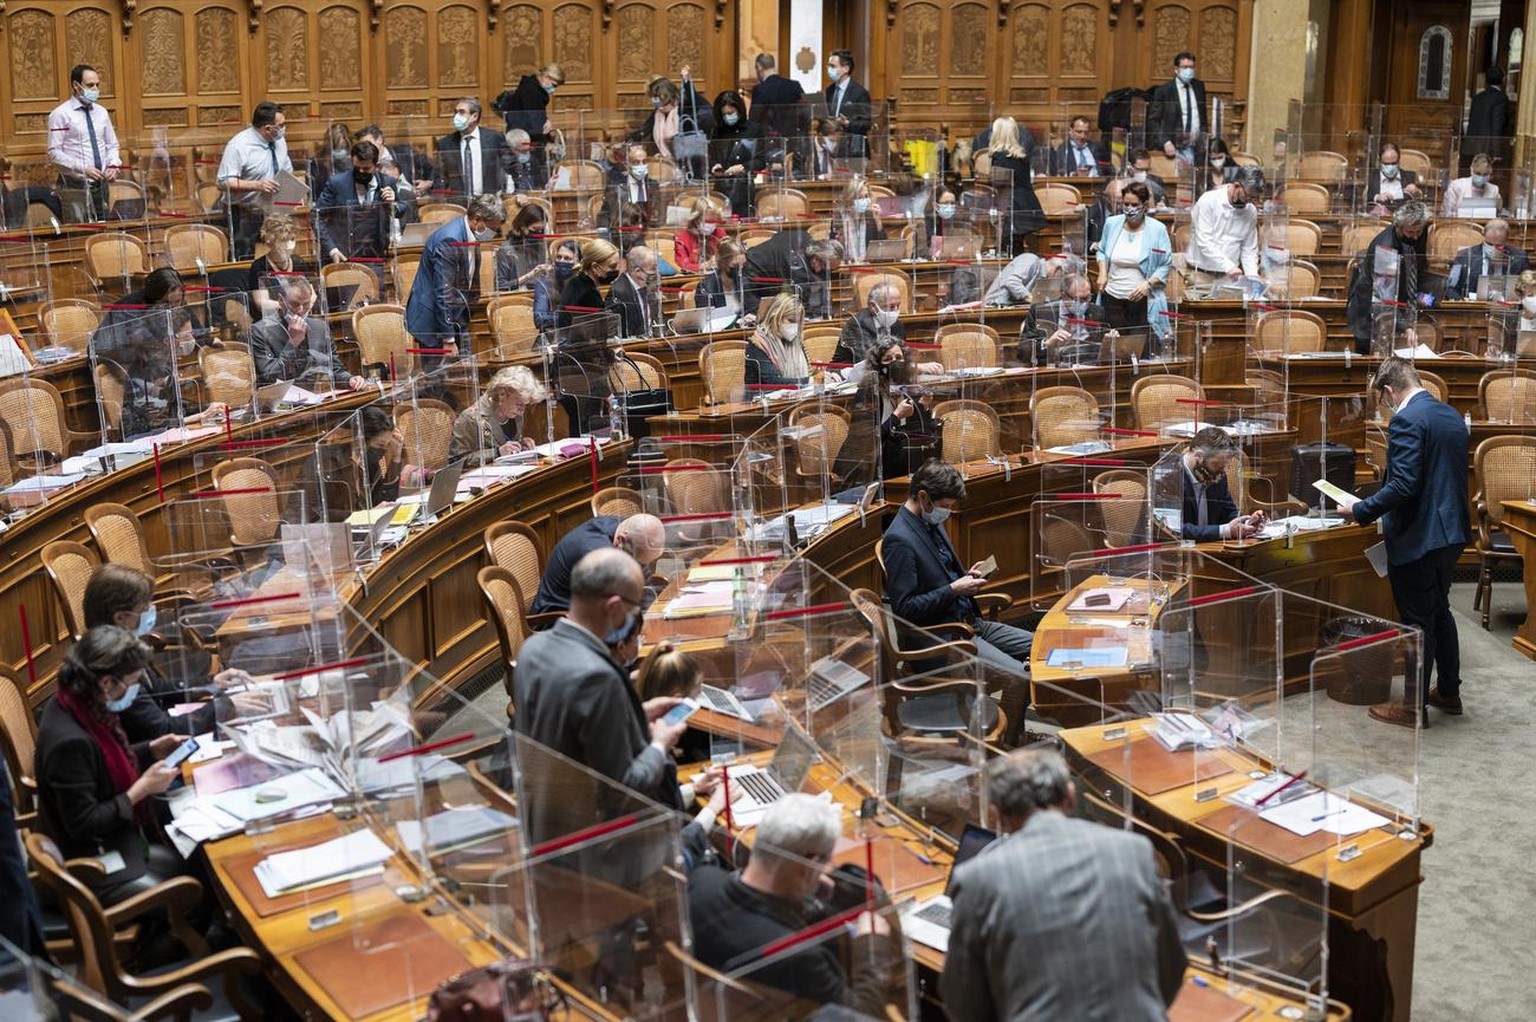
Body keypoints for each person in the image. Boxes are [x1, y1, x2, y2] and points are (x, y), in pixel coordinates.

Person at [940, 747, 1184, 1022]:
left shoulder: (977, 879)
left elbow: (964, 1004)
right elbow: (1171, 964)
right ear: (1070, 796)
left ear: (996, 814)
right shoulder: (1134, 851)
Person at [1334, 357, 1470, 727]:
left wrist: (1361, 508)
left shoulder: (1407, 419)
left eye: (1384, 398)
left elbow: (1405, 485)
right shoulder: (1450, 415)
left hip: (1420, 537)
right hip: (1451, 533)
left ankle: (1411, 708)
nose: (1387, 405)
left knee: (1415, 622)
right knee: (1440, 610)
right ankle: (1448, 691)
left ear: (1390, 390)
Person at [687, 793, 898, 1015]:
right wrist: (872, 948)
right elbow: (860, 1014)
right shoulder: (802, 958)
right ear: (810, 866)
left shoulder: (700, 881)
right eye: (825, 861)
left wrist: (805, 890)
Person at [513, 548, 687, 806]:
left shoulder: (531, 650)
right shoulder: (598, 677)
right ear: (614, 608)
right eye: (634, 606)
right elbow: (625, 788)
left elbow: (567, 732)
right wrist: (660, 744)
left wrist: (635, 715)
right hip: (596, 833)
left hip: (543, 813)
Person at [35, 626, 192, 906]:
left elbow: (97, 764)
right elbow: (84, 823)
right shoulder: (70, 742)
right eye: (131, 682)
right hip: (89, 860)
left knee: (187, 858)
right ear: (107, 682)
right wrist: (141, 789)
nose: (133, 689)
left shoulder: (76, 703)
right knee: (188, 891)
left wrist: (149, 749)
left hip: (109, 841)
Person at [882, 460, 1032, 744]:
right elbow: (904, 609)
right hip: (941, 638)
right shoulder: (899, 540)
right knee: (1019, 678)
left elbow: (938, 574)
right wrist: (953, 589)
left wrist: (965, 578)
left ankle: (1016, 733)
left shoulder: (929, 521)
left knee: (1041, 647)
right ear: (924, 497)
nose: (948, 512)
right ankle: (1007, 746)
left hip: (969, 621)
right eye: (946, 506)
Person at [81, 564, 267, 742]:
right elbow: (162, 730)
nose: (151, 612)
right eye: (144, 608)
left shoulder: (123, 644)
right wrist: (226, 705)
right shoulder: (114, 667)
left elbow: (158, 689)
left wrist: (212, 683)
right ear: (120, 618)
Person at [404, 193, 505, 354]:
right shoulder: (450, 239)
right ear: (477, 219)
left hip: (457, 317)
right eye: (492, 228)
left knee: (464, 373)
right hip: (435, 323)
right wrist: (448, 339)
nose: (493, 233)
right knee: (437, 377)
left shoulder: (471, 233)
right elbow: (443, 292)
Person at [530, 513, 666, 618]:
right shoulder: (597, 555)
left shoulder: (625, 531)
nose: (643, 567)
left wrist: (648, 614)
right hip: (558, 622)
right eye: (639, 562)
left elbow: (644, 584)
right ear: (621, 540)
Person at [250, 276, 366, 391]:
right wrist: (292, 343)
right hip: (287, 402)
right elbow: (270, 378)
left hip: (320, 395)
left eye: (306, 304)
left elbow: (334, 369)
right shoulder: (260, 331)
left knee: (373, 409)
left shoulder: (320, 327)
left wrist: (349, 380)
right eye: (295, 304)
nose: (301, 310)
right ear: (281, 301)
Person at [1346, 201, 1431, 356]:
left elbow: (1420, 265)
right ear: (1398, 226)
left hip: (1399, 306)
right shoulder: (1385, 248)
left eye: (1419, 231)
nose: (1416, 236)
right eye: (1411, 232)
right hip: (1370, 315)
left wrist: (1425, 295)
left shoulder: (1419, 233)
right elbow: (1385, 297)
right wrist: (1406, 326)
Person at [1096, 181, 1172, 353]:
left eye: (1135, 205)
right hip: (1113, 296)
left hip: (1141, 300)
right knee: (1115, 350)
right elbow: (1101, 251)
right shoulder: (1112, 224)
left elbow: (1166, 263)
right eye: (1126, 204)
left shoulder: (1157, 229)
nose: (1129, 208)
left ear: (1144, 205)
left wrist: (1148, 284)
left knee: (1139, 350)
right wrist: (1102, 273)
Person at [314, 140, 410, 266]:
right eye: (356, 167)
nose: (360, 172)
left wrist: (392, 204)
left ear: (376, 166)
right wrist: (332, 249)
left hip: (375, 255)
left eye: (366, 168)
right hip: (342, 256)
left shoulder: (387, 182)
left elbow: (401, 209)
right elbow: (315, 216)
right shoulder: (337, 183)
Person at [217, 101, 292, 259]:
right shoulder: (238, 146)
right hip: (243, 213)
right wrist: (258, 185)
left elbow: (286, 169)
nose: (285, 128)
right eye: (282, 125)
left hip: (273, 209)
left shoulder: (279, 141)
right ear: (268, 128)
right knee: (244, 258)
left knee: (278, 256)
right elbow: (223, 182)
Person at [47, 64, 120, 222]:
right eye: (90, 85)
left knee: (103, 232)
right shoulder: (60, 114)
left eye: (97, 85)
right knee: (79, 234)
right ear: (76, 85)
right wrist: (83, 168)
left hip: (101, 185)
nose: (95, 89)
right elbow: (54, 152)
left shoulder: (102, 112)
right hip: (74, 186)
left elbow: (112, 145)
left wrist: (113, 165)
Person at [1185, 166, 1263, 298]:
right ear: (1237, 186)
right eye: (1249, 196)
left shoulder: (1250, 210)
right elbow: (1204, 241)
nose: (1251, 202)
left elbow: (1249, 249)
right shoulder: (1209, 200)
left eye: (1255, 198)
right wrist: (1228, 266)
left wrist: (1252, 276)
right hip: (1200, 276)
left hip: (1229, 279)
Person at [449, 365, 549, 464]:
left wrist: (520, 444)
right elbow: (456, 461)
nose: (522, 411)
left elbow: (505, 443)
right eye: (519, 404)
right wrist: (497, 452)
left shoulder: (514, 414)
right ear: (502, 394)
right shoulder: (472, 418)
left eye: (525, 405)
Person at [1177, 427, 1264, 541]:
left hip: (1214, 547)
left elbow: (1228, 511)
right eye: (1218, 466)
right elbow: (1176, 529)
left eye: (1224, 466)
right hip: (1179, 552)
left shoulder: (1216, 475)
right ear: (1199, 456)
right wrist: (1226, 531)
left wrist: (1246, 524)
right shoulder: (1169, 477)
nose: (1222, 472)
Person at [744, 231, 842, 319]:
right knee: (757, 318)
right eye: (823, 266)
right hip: (753, 275)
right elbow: (802, 303)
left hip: (768, 271)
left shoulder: (804, 236)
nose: (821, 271)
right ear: (815, 258)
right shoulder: (797, 265)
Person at [1020, 272, 1112, 366]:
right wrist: (1048, 343)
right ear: (1064, 295)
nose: (1084, 303)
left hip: (1088, 365)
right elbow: (1022, 352)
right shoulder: (1041, 312)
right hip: (1054, 367)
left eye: (1087, 298)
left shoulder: (1097, 312)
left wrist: (1111, 340)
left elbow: (1103, 347)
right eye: (1078, 299)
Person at [431, 98, 512, 204]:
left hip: (488, 202)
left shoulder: (494, 138)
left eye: (461, 112)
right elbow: (440, 176)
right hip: (459, 203)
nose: (456, 117)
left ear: (475, 116)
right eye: (455, 112)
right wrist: (442, 202)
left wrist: (521, 191)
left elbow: (512, 165)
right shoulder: (446, 144)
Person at [986, 116, 1046, 255]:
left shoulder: (1001, 157)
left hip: (1011, 207)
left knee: (1009, 249)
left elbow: (1000, 184)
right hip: (1026, 204)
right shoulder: (1021, 155)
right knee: (1018, 245)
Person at [244, 213, 311, 321]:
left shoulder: (299, 262)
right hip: (271, 321)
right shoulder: (259, 266)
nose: (289, 245)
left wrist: (305, 307)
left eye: (292, 239)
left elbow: (311, 293)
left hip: (300, 317)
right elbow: (261, 303)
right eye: (283, 241)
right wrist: (291, 306)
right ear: (270, 241)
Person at [707, 89, 764, 216]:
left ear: (739, 110)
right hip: (722, 187)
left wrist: (744, 167)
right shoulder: (717, 131)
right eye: (724, 114)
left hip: (744, 187)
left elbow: (761, 160)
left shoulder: (753, 129)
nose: (728, 116)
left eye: (731, 112)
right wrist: (715, 165)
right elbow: (711, 155)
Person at [1148, 50, 1208, 164]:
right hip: (1173, 148)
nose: (1189, 71)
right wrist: (1165, 142)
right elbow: (1153, 121)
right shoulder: (1164, 91)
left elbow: (1202, 115)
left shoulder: (1199, 87)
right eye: (1185, 67)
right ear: (1176, 69)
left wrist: (1204, 140)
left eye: (1191, 67)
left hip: (1196, 148)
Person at [1447, 217, 1528, 300]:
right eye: (1489, 244)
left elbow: (1527, 289)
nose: (1493, 248)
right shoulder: (1464, 256)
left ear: (1506, 239)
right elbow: (1450, 287)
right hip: (1474, 308)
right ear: (1483, 235)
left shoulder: (1519, 258)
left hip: (1506, 308)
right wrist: (1462, 301)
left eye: (1499, 245)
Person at [746, 293, 815, 386]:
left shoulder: (796, 341)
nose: (795, 326)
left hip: (798, 397)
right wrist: (809, 381)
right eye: (791, 320)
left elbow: (808, 373)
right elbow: (772, 381)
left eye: (798, 322)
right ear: (776, 317)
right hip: (762, 398)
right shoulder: (758, 344)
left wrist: (823, 376)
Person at [833, 281, 904, 364]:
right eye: (891, 307)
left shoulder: (897, 325)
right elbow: (867, 361)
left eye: (898, 306)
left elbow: (902, 356)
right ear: (873, 306)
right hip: (847, 373)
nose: (896, 311)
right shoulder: (857, 324)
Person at [558, 238, 620, 330]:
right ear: (595, 267)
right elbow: (595, 333)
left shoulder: (575, 282)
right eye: (612, 266)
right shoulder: (589, 295)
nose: (616, 270)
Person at [598, 144, 662, 231]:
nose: (641, 165)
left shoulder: (652, 184)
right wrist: (603, 232)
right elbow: (605, 213)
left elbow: (658, 213)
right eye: (636, 162)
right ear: (627, 164)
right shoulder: (616, 186)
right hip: (624, 233)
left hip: (647, 231)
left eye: (644, 161)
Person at [693, 239, 754, 327]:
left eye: (743, 266)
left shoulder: (745, 281)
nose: (740, 271)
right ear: (722, 263)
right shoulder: (705, 287)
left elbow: (753, 309)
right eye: (735, 266)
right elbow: (707, 322)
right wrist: (737, 323)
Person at [748, 52, 807, 144]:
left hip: (769, 141)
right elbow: (804, 113)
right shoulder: (795, 85)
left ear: (759, 66)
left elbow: (754, 120)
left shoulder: (760, 89)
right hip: (793, 140)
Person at [493, 199, 551, 292]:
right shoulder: (507, 249)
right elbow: (500, 285)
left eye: (542, 230)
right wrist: (528, 276)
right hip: (517, 298)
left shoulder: (541, 245)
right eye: (535, 229)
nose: (539, 233)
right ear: (522, 226)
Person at [823, 49, 872, 159]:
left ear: (846, 69)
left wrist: (848, 123)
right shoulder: (829, 90)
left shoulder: (860, 92)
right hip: (833, 147)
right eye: (828, 66)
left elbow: (866, 123)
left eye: (833, 66)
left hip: (853, 149)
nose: (829, 69)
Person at [605, 244, 661, 339]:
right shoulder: (618, 293)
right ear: (637, 271)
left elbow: (658, 321)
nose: (657, 274)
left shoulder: (650, 289)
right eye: (653, 269)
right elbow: (613, 335)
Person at [833, 175, 888, 263]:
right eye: (859, 197)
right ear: (850, 198)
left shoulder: (870, 217)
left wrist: (878, 221)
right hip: (845, 269)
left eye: (866, 197)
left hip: (868, 269)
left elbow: (884, 251)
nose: (864, 200)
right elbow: (833, 251)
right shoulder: (839, 217)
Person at [1465, 66, 1511, 171]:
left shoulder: (1477, 98)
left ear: (1486, 80)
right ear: (1502, 80)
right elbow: (1497, 126)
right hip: (1489, 149)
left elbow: (1472, 123)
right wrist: (1497, 152)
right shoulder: (1501, 98)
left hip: (1472, 147)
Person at [534, 238, 580, 330]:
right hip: (554, 337)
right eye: (559, 257)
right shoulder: (544, 284)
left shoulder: (584, 283)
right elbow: (539, 319)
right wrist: (571, 319)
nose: (562, 261)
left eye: (567, 258)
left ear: (578, 263)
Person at [674, 197, 727, 273]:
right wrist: (705, 265)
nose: (711, 225)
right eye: (707, 221)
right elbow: (682, 265)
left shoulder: (720, 233)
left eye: (714, 221)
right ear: (695, 220)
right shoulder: (681, 238)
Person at [306, 121, 354, 204]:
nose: (341, 151)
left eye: (343, 147)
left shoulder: (350, 162)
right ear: (329, 145)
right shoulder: (315, 163)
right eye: (337, 147)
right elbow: (312, 194)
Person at [983, 248, 1050, 306]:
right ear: (1058, 269)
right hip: (995, 306)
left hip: (1009, 307)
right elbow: (1011, 281)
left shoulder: (1042, 276)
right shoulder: (1030, 259)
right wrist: (1032, 299)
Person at [1366, 143, 1421, 212]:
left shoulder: (1410, 177)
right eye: (1386, 164)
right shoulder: (1371, 176)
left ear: (1399, 160)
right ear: (1379, 161)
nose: (1390, 167)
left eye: (1394, 163)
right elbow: (1362, 197)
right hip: (1377, 219)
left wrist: (1416, 192)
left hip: (1404, 218)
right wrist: (1377, 197)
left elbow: (1422, 198)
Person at [1086, 177, 1124, 254]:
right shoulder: (1091, 214)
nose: (1118, 206)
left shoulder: (1131, 212)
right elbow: (1079, 242)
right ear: (1106, 198)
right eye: (1115, 202)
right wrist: (1093, 245)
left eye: (1121, 203)